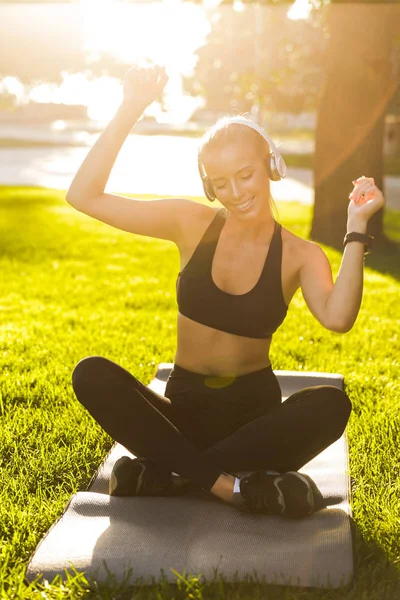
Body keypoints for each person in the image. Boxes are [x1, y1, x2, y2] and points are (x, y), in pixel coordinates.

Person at [67, 65, 385, 518]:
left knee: (331, 405)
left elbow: (338, 319)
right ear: (208, 186)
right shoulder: (189, 224)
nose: (235, 193)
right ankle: (231, 484)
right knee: (91, 373)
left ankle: (174, 474)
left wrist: (356, 230)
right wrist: (130, 108)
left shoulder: (300, 254)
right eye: (221, 183)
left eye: (245, 175)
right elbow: (84, 196)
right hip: (182, 410)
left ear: (271, 167)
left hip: (253, 420)